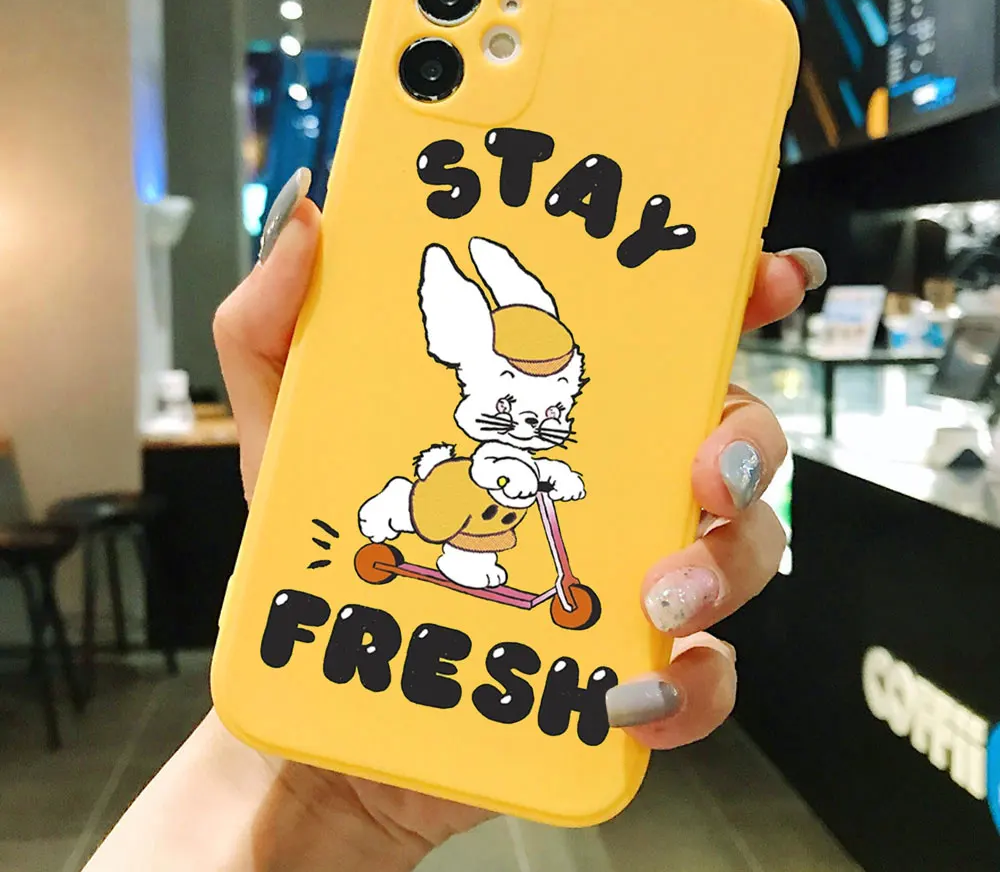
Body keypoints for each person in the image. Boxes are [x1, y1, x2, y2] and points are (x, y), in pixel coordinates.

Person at [84, 175, 826, 871]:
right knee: (426, 510)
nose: (534, 423)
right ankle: (393, 514)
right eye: (516, 405)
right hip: (461, 494)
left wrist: (342, 814)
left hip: (499, 532)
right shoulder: (481, 415)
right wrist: (291, 783)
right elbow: (499, 458)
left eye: (552, 411)